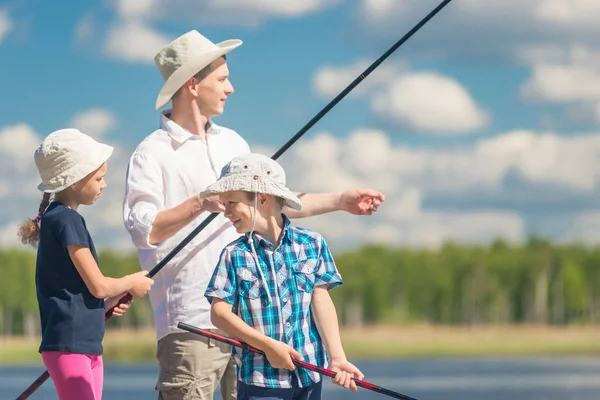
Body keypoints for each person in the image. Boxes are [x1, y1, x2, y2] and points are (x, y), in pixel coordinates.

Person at [122, 30, 384, 400]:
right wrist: (201, 202)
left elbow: (271, 203)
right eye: (223, 79)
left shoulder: (234, 142)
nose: (230, 88)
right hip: (194, 323)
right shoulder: (152, 153)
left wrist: (340, 199)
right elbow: (143, 230)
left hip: (256, 327)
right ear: (193, 85)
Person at [203, 153, 364, 399]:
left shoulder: (312, 243)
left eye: (231, 203)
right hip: (259, 379)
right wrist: (268, 347)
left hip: (309, 377)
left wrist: (337, 357)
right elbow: (219, 314)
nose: (225, 212)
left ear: (262, 199)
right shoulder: (233, 254)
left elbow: (321, 301)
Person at [18, 129, 155, 400]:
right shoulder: (67, 220)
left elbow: (77, 294)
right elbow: (98, 284)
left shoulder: (56, 219)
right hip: (70, 347)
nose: (104, 185)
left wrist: (108, 303)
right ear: (74, 180)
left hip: (85, 345)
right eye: (99, 178)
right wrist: (131, 282)